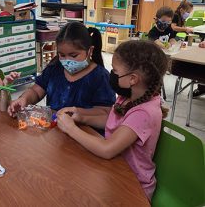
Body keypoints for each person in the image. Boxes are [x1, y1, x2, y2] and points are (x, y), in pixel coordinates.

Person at [56, 40, 168, 202]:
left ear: (133, 79)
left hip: (132, 187)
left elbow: (107, 149)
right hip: (114, 170)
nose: (112, 74)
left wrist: (71, 129)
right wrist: (82, 117)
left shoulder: (144, 112)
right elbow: (113, 123)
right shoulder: (127, 97)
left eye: (115, 71)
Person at [8, 22, 116, 117]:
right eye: (62, 55)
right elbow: (36, 91)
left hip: (84, 135)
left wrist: (77, 112)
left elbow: (104, 112)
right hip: (54, 132)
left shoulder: (100, 77)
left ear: (89, 51)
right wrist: (24, 99)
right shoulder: (55, 68)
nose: (67, 61)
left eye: (73, 55)